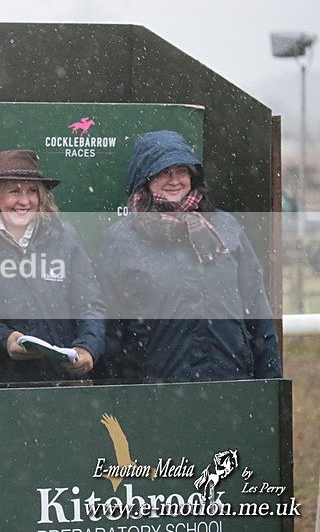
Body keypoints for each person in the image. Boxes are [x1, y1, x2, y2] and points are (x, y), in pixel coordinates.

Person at [95, 130, 281, 382]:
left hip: (231, 384)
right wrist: (117, 400)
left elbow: (258, 312)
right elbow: (111, 332)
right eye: (162, 172)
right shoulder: (120, 240)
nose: (174, 180)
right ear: (144, 178)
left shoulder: (226, 227)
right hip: (156, 391)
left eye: (181, 170)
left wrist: (270, 384)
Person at [0, 149, 104, 382]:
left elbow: (90, 304)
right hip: (0, 384)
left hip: (62, 381)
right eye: (14, 191)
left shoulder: (65, 237)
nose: (24, 200)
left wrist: (88, 347)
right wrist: (6, 340)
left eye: (32, 191)